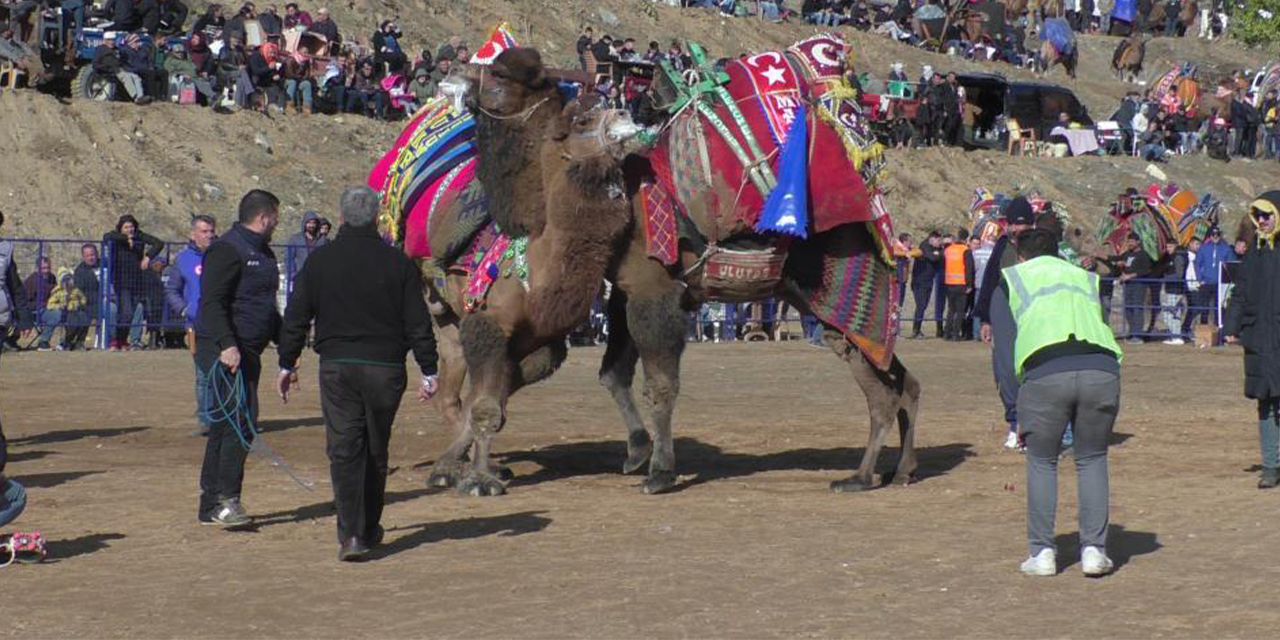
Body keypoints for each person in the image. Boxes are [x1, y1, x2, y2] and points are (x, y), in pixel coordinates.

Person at [276, 186, 439, 561]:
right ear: (376, 216)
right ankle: (369, 526)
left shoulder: (320, 262)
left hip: (337, 366)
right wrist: (429, 369)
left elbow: (296, 315)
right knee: (376, 447)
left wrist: (288, 362)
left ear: (344, 216)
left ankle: (351, 534)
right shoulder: (397, 263)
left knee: (345, 448)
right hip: (385, 368)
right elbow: (417, 322)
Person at [992, 228, 1124, 577]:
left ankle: (1043, 552)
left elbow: (1005, 353)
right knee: (1093, 457)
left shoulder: (1012, 280)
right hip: (1102, 370)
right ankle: (1095, 550)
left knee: (1042, 461)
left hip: (1045, 372)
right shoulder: (1084, 278)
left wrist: (1014, 409)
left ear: (1020, 256)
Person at [196, 190, 282, 527]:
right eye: (275, 216)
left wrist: (288, 343)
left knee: (226, 425)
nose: (276, 223)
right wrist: (227, 344)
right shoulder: (227, 249)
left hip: (249, 351)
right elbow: (212, 302)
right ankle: (225, 501)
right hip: (226, 351)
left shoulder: (264, 253)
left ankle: (210, 505)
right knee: (238, 422)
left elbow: (264, 307)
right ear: (263, 217)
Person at [1224, 191, 1280, 488]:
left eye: (1267, 215)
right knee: (1265, 401)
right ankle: (1271, 466)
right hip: (1258, 338)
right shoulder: (1253, 257)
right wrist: (1232, 326)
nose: (1262, 220)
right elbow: (1240, 295)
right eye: (1258, 215)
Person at [977, 196, 1036, 449]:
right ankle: (1014, 423)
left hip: (1034, 314)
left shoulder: (1041, 245)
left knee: (1032, 368)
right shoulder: (1002, 246)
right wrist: (986, 319)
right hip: (1004, 312)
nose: (1017, 229)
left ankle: (1033, 427)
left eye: (1022, 225)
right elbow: (990, 281)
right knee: (1005, 367)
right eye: (1013, 224)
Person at [166, 215, 217, 436]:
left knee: (226, 373)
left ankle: (224, 416)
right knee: (203, 374)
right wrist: (184, 309)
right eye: (204, 231)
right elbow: (172, 289)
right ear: (193, 234)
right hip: (196, 325)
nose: (209, 235)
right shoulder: (183, 259)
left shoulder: (222, 255)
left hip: (221, 322)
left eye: (211, 231)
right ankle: (206, 419)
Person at [103, 215, 164, 351]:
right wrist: (126, 238)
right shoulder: (116, 237)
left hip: (137, 281)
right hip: (121, 281)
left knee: (132, 313)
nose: (129, 229)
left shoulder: (139, 236)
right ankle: (116, 340)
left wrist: (148, 257)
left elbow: (158, 243)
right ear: (121, 228)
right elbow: (106, 237)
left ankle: (123, 341)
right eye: (126, 227)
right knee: (126, 312)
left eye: (131, 227)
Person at [36, 268, 89, 352]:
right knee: (71, 322)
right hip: (65, 312)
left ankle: (79, 342)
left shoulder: (76, 290)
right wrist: (59, 306)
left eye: (69, 279)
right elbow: (50, 305)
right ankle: (65, 342)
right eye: (65, 280)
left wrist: (78, 303)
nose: (67, 283)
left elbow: (83, 299)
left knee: (84, 318)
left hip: (75, 310)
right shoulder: (57, 291)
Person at [1112, 233, 1152, 343]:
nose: (1130, 243)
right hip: (1127, 285)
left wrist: (1130, 275)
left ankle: (1138, 335)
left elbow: (1146, 270)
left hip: (1139, 285)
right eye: (1128, 241)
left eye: (1132, 241)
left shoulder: (1143, 255)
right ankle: (1132, 332)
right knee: (1127, 308)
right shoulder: (1128, 254)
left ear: (1138, 242)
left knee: (1137, 308)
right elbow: (1117, 258)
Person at [91, 34, 150, 105]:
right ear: (105, 41)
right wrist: (107, 68)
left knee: (135, 77)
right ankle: (135, 98)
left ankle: (141, 96)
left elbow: (122, 59)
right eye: (110, 40)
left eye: (113, 40)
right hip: (109, 70)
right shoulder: (100, 49)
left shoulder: (116, 49)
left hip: (120, 68)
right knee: (125, 77)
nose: (112, 42)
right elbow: (95, 64)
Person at [1194, 226, 1232, 329]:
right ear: (1210, 236)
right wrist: (1200, 279)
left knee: (1219, 309)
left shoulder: (1226, 248)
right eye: (1213, 235)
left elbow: (1230, 265)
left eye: (1217, 234)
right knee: (1204, 308)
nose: (1215, 237)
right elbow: (1197, 263)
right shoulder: (1203, 248)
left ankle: (1219, 331)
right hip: (1206, 283)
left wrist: (1226, 279)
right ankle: (1203, 331)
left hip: (1219, 283)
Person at [908, 231, 942, 339]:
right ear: (932, 239)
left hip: (928, 280)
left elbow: (938, 258)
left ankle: (917, 329)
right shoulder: (925, 246)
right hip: (919, 281)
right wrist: (938, 254)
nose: (940, 243)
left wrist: (938, 253)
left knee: (923, 305)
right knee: (921, 305)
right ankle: (916, 330)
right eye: (938, 241)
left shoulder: (935, 248)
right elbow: (933, 258)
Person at [943, 229, 975, 341]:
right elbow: (969, 269)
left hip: (949, 283)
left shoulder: (948, 249)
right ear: (966, 238)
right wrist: (969, 284)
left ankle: (947, 333)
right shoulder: (966, 250)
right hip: (961, 284)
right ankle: (956, 334)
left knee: (951, 309)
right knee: (960, 311)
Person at [73, 244, 102, 347]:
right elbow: (80, 293)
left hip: (108, 301)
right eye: (88, 256)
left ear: (97, 254)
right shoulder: (80, 271)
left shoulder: (105, 264)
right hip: (89, 303)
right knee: (83, 314)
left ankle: (113, 341)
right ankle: (78, 341)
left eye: (93, 255)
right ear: (83, 257)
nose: (91, 258)